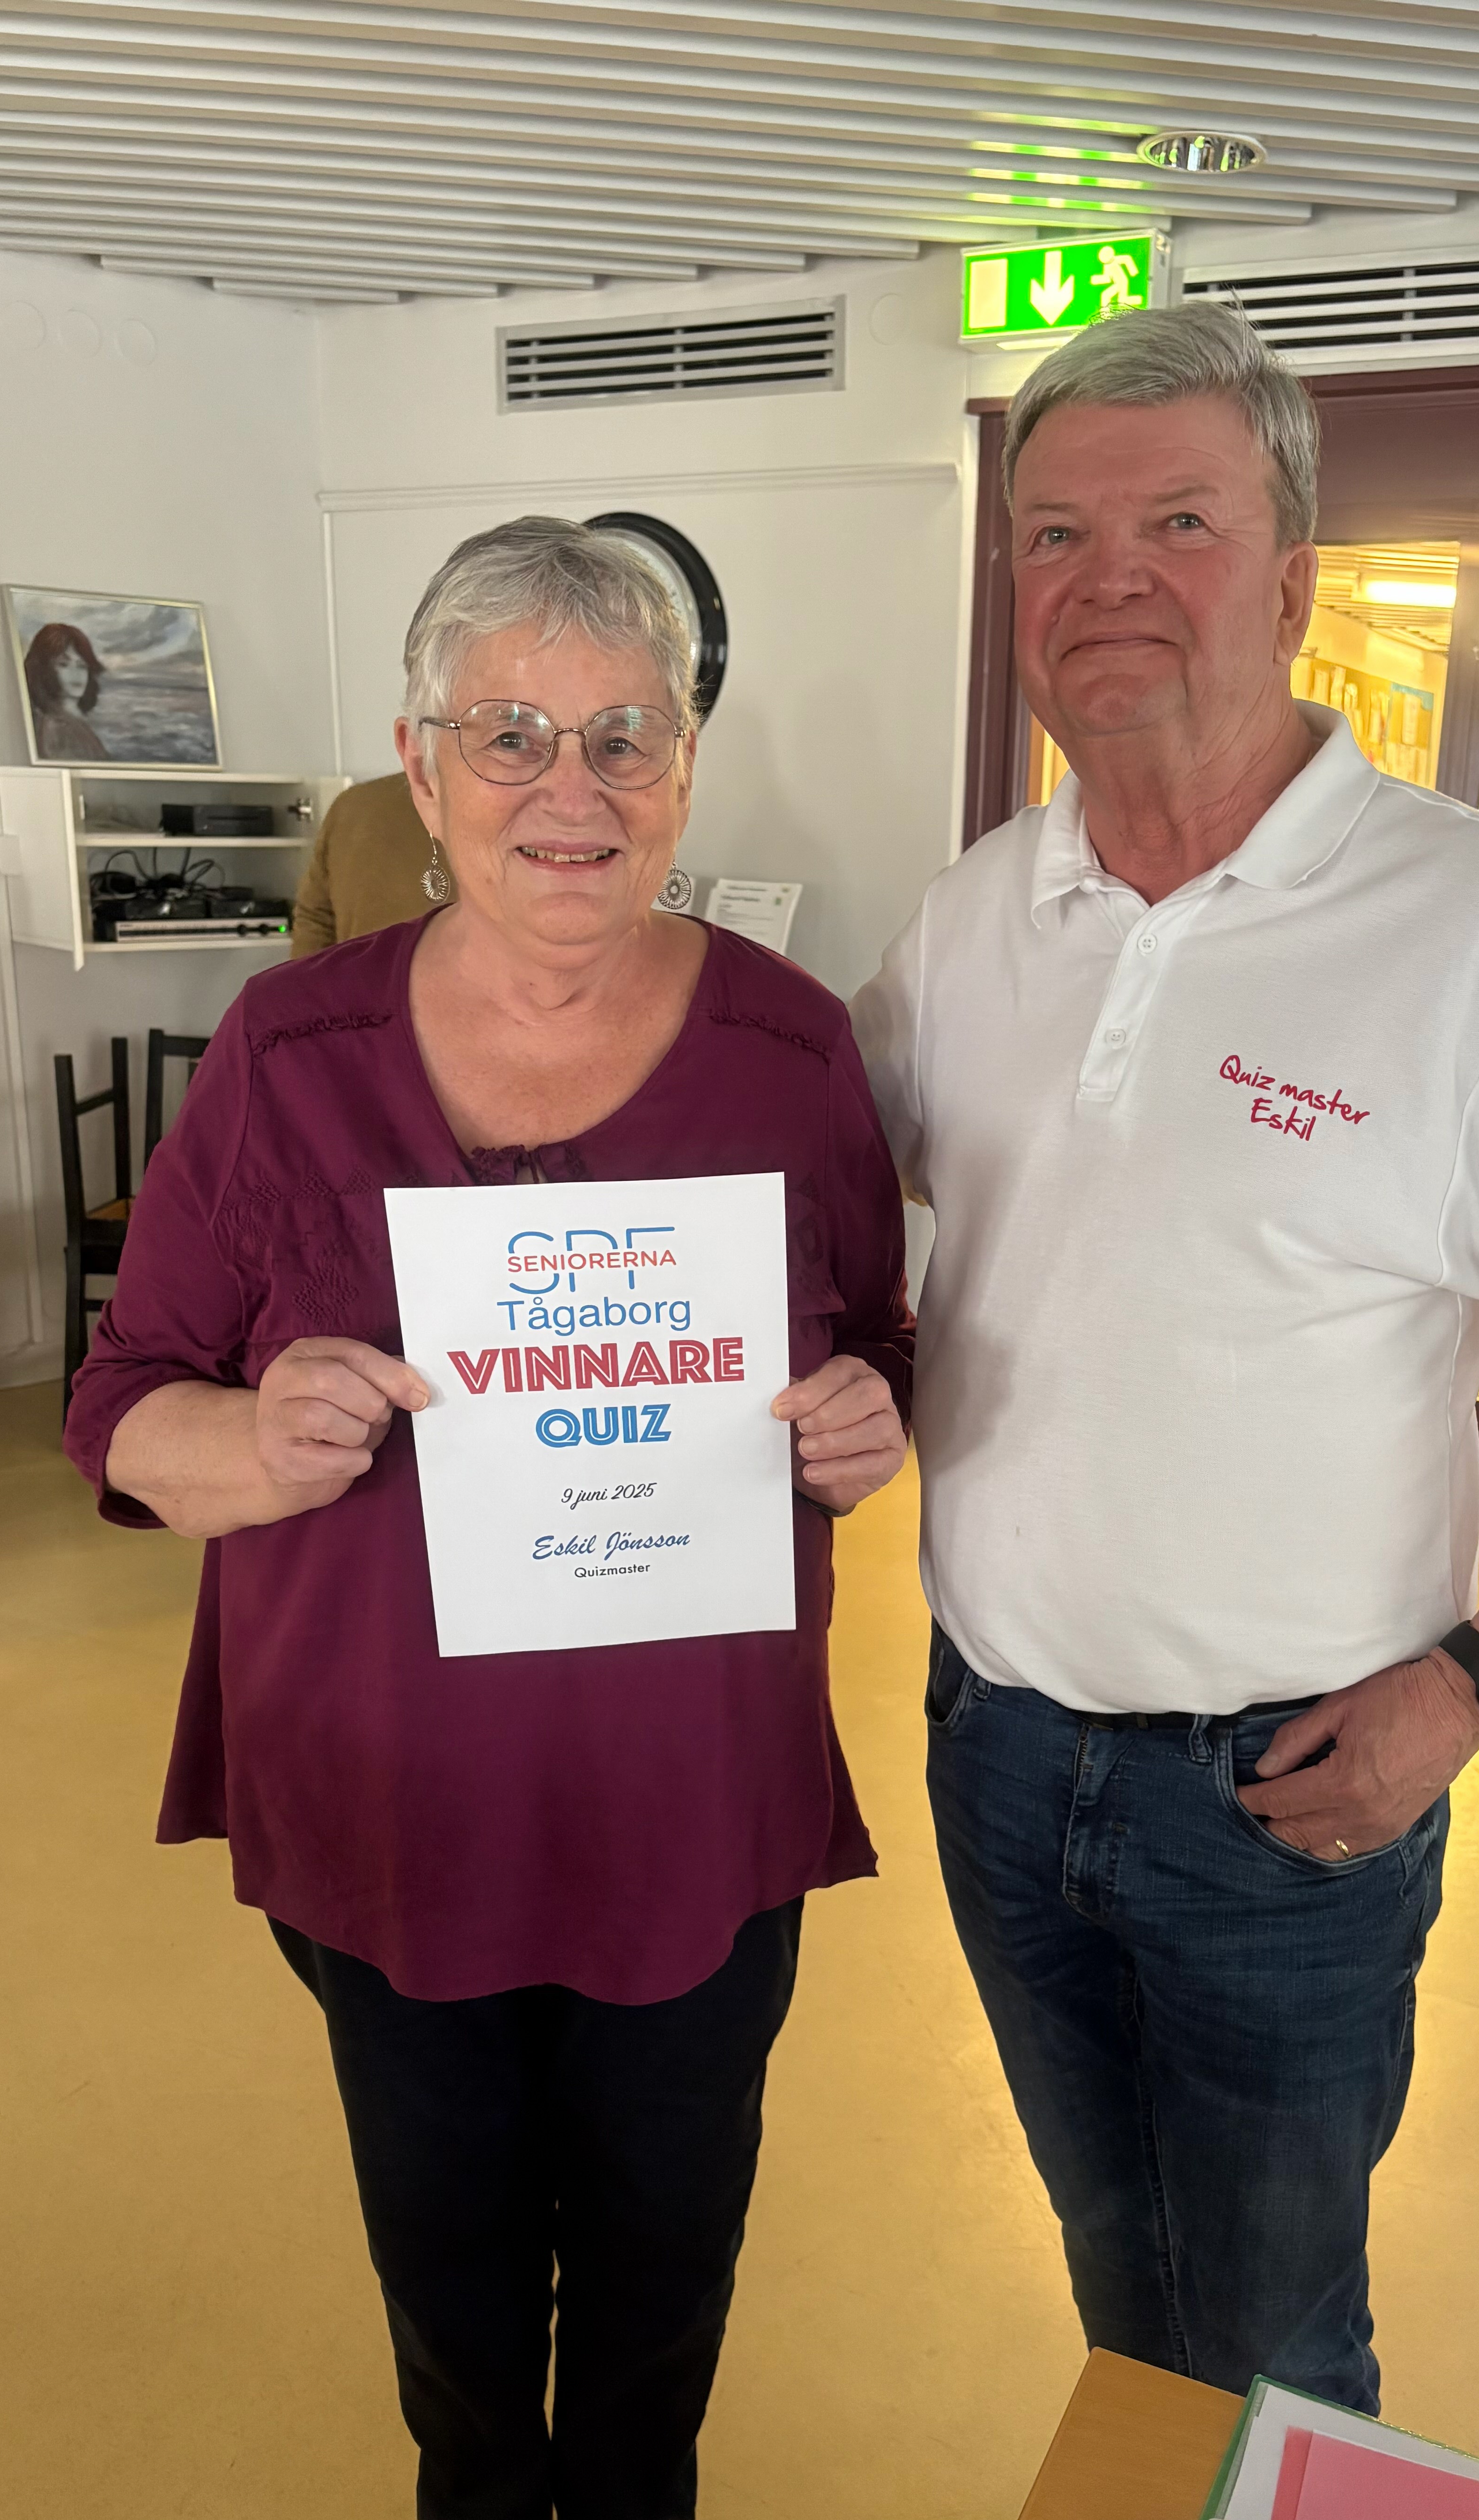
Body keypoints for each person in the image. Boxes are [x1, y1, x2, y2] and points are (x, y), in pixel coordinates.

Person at [851, 304, 1479, 2414]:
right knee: (1121, 2285)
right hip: (998, 1749)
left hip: (1287, 1796)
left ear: (1289, 578)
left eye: (1177, 521)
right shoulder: (974, 918)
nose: (1108, 577)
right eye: (1056, 533)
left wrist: (1478, 1680)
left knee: (1275, 2336)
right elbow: (822, 1203)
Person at [63, 515, 913, 2518]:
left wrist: (868, 1424)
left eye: (626, 736)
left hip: (689, 1810)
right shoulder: (291, 1054)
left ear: (685, 766)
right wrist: (258, 1440)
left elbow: (877, 1346)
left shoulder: (790, 1049)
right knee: (452, 2324)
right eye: (511, 733)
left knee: (656, 2317)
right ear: (420, 765)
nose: (570, 790)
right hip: (394, 1815)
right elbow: (122, 1408)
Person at [289, 770, 454, 953]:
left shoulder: (353, 806)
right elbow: (316, 920)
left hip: (356, 969)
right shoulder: (353, 808)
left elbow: (315, 923)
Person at [22, 620, 110, 760]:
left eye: (81, 666)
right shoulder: (55, 729)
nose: (76, 674)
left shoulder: (74, 722)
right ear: (45, 670)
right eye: (64, 664)